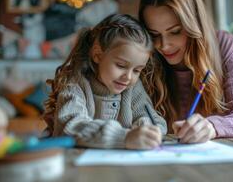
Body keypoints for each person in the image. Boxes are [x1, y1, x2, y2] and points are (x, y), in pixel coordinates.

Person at [138, 0, 233, 143]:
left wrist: (212, 126)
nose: (164, 45)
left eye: (175, 31)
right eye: (154, 34)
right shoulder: (144, 55)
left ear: (194, 23)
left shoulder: (222, 45)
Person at [43, 14, 167, 149]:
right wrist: (124, 137)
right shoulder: (75, 84)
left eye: (137, 70)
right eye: (121, 65)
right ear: (98, 55)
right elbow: (70, 126)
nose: (128, 77)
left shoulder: (133, 88)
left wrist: (148, 130)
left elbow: (152, 119)